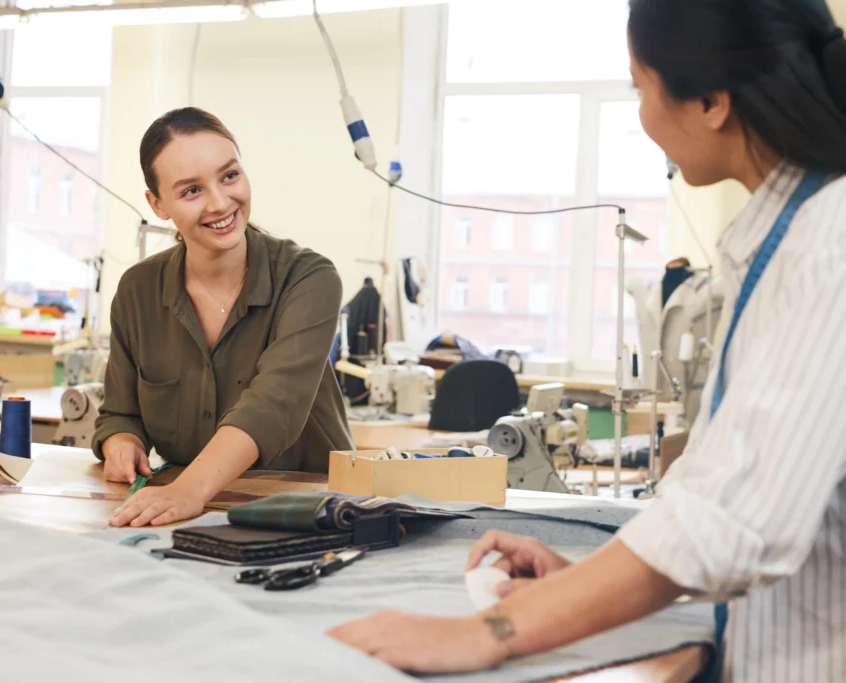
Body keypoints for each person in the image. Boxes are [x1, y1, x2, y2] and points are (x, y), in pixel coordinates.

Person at [330, 1, 846, 680]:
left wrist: (493, 629)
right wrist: (582, 582)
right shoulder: (789, 234)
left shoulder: (827, 243)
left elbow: (734, 523)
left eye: (639, 87)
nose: (641, 116)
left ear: (713, 101)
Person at [96, 107, 354, 528]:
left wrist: (189, 490)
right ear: (157, 204)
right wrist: (121, 442)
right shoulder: (137, 290)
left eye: (229, 176)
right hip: (186, 512)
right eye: (191, 191)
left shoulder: (308, 278)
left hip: (307, 508)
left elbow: (273, 405)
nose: (220, 202)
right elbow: (120, 413)